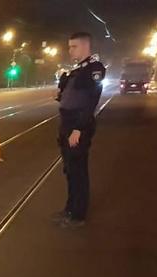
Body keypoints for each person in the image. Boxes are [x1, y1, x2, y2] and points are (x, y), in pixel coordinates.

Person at [54, 31, 106, 228]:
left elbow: (90, 101)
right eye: (69, 46)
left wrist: (78, 129)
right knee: (69, 170)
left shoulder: (94, 69)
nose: (70, 50)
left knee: (78, 171)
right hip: (67, 123)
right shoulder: (75, 71)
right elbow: (68, 97)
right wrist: (60, 95)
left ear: (85, 46)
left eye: (73, 46)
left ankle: (78, 215)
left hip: (78, 124)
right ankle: (69, 209)